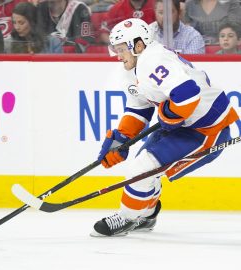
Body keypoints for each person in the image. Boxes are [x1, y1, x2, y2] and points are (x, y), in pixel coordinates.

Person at [90, 18, 239, 237]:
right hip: (186, 125)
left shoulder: (154, 59)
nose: (117, 55)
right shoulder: (131, 70)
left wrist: (168, 115)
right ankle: (147, 215)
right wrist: (122, 139)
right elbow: (138, 110)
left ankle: (128, 218)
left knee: (142, 168)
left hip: (208, 129)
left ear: (138, 45)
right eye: (116, 49)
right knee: (145, 166)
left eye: (121, 49)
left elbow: (188, 95)